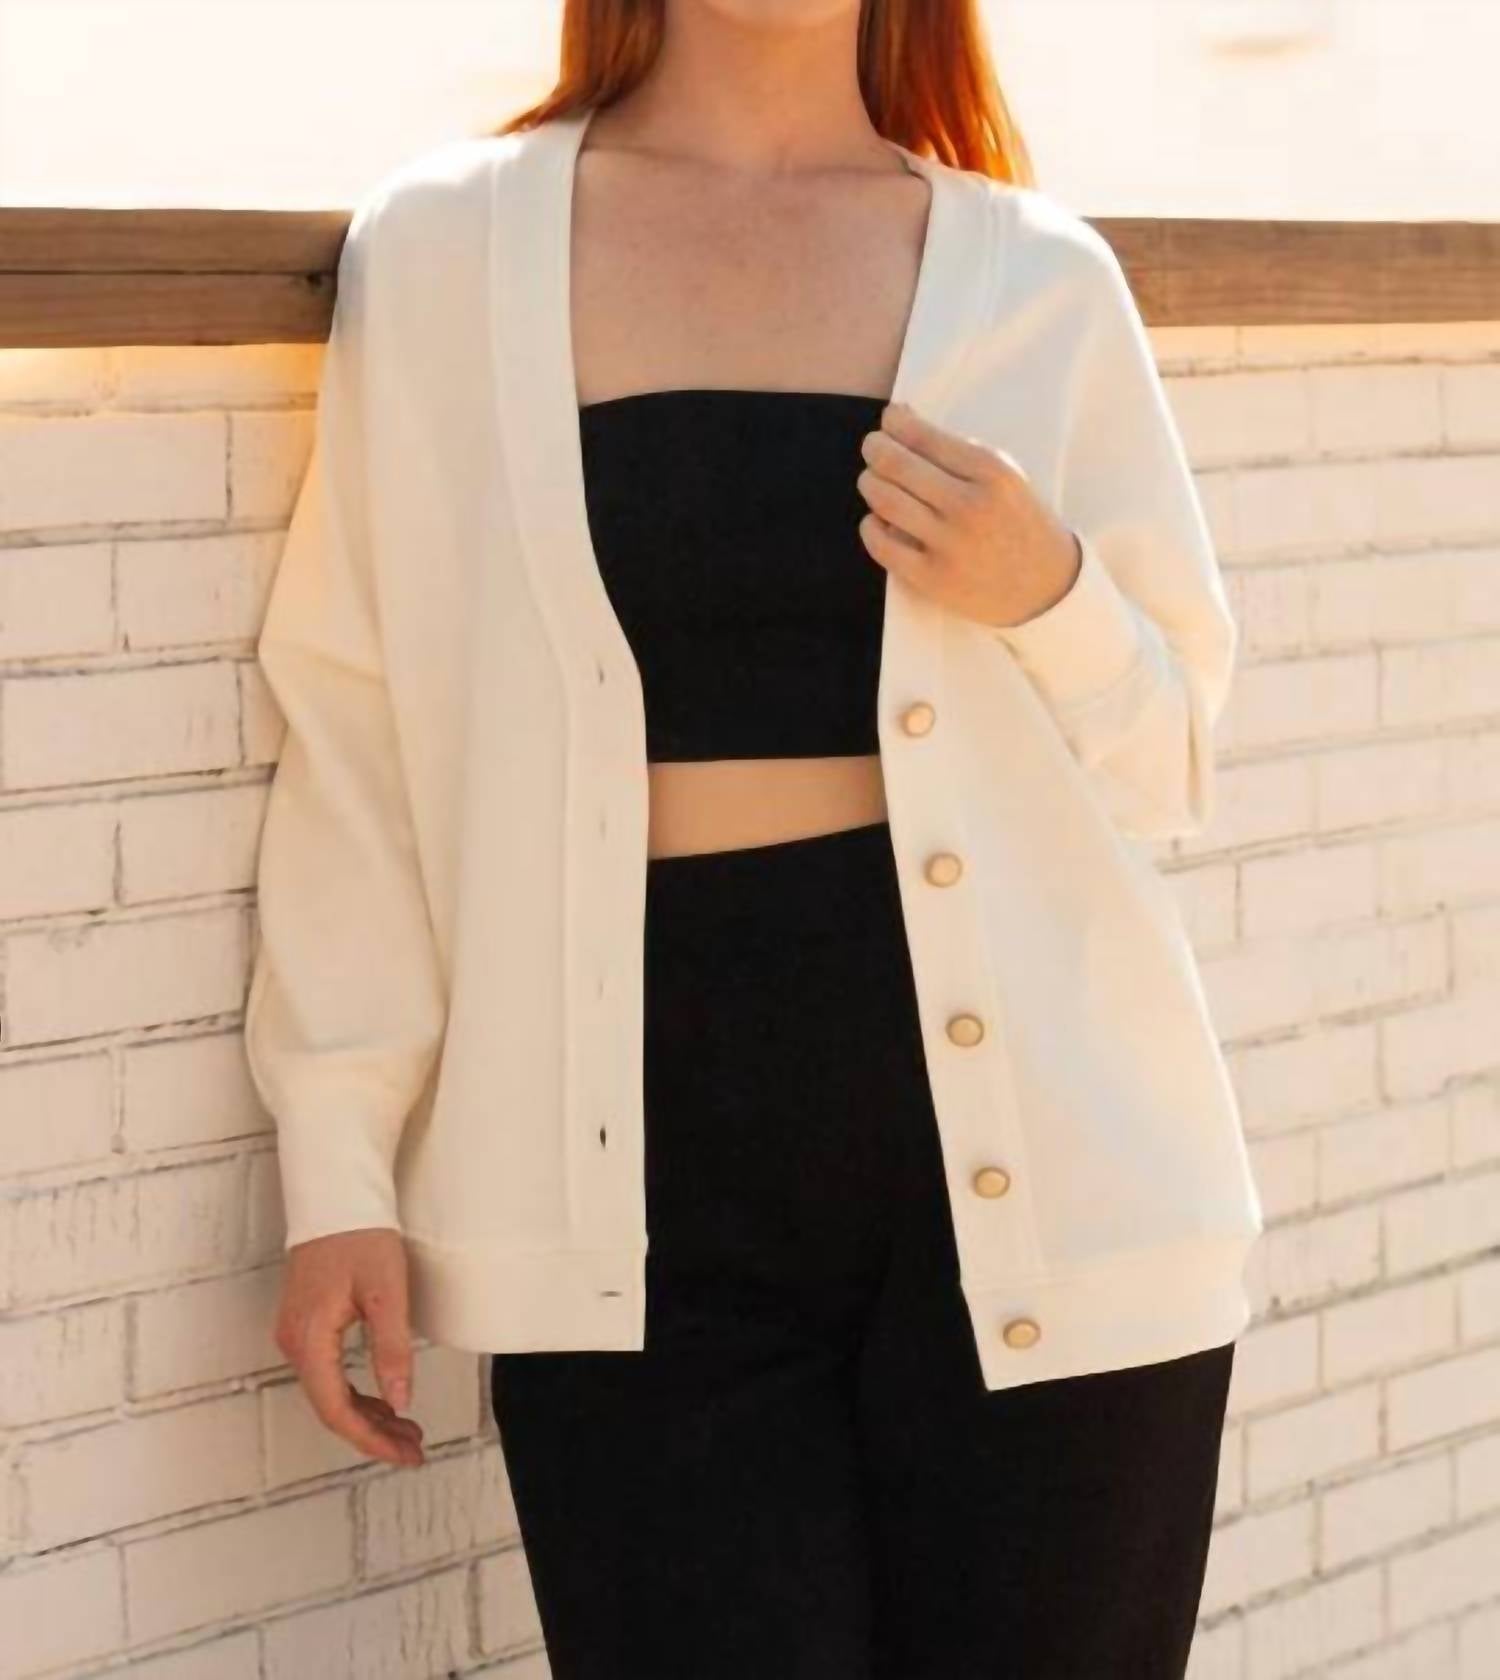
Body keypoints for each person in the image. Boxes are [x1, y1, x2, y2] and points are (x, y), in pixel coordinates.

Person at [245, 2, 1266, 1675]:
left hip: (1059, 1194)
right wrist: (339, 1167)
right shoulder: (441, 253)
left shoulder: (1041, 280)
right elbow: (357, 735)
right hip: (638, 1218)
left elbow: (1170, 766)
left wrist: (1052, 592)